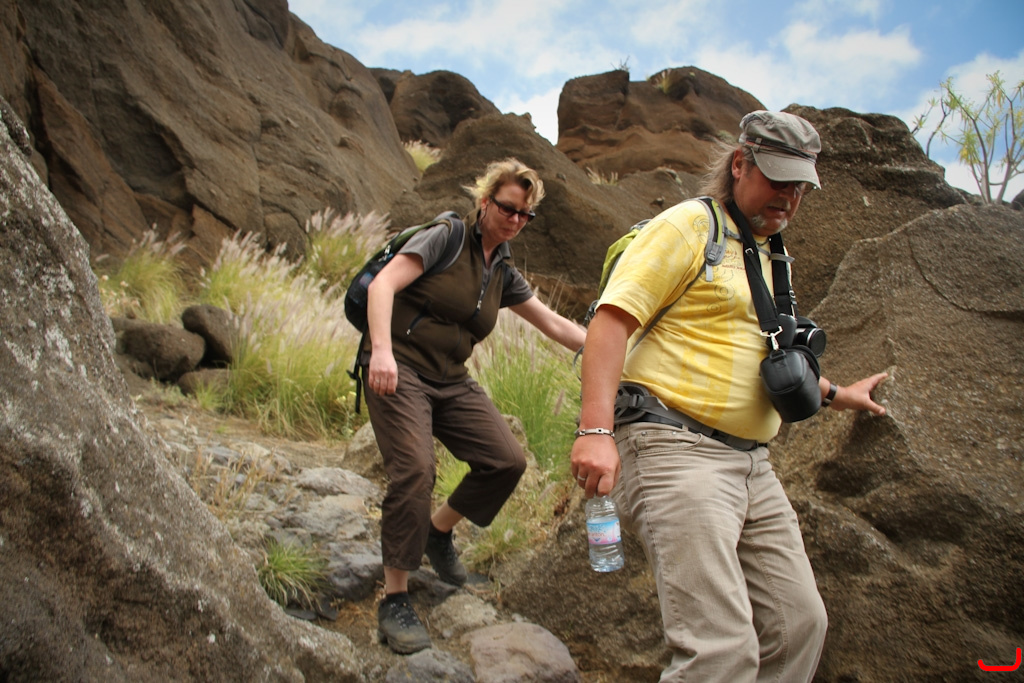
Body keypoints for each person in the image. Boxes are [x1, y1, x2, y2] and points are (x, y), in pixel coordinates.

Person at [570, 111, 888, 682]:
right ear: (740, 164)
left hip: (752, 466)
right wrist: (595, 432)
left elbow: (759, 354)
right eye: (778, 180)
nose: (788, 198)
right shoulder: (692, 226)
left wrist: (840, 393)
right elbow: (611, 322)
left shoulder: (768, 255)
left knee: (799, 624)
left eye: (800, 188)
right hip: (673, 447)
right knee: (720, 650)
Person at [363, 158, 587, 654]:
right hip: (400, 366)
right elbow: (383, 285)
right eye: (508, 208)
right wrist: (380, 352)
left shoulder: (501, 269)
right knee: (415, 469)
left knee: (506, 459)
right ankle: (395, 597)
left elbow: (553, 324)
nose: (515, 220)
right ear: (485, 202)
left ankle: (436, 532)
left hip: (450, 379)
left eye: (525, 215)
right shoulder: (445, 237)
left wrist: (611, 351)